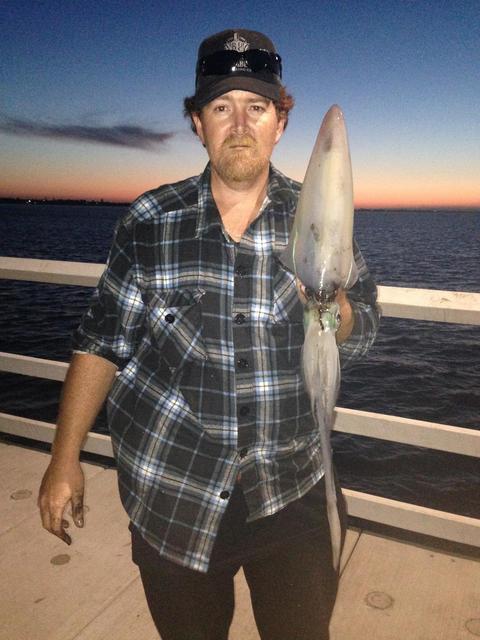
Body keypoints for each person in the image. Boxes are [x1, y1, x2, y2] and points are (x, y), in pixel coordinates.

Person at [38, 28, 379, 640]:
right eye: (221, 107)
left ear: (280, 122)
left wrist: (333, 305)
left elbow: (365, 327)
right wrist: (63, 461)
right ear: (197, 123)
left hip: (291, 486)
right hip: (175, 491)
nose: (240, 124)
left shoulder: (324, 217)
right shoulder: (149, 221)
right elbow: (100, 342)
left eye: (258, 106)